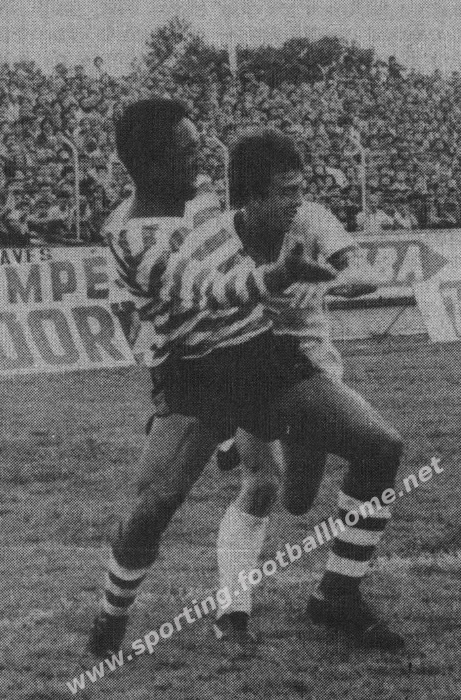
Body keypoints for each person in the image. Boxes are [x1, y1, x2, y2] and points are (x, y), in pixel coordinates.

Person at [88, 101, 337, 658]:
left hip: (251, 354)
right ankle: (112, 612)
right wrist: (273, 277)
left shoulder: (201, 197)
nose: (200, 160)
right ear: (149, 165)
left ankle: (317, 596)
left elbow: (229, 257)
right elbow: (207, 287)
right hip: (195, 374)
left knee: (292, 477)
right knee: (155, 505)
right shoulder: (131, 236)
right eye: (187, 151)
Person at [214, 129, 405, 651]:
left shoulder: (312, 220)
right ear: (250, 198)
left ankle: (233, 440)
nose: (298, 199)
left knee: (298, 499)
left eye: (300, 188)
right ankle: (235, 611)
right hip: (246, 366)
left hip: (310, 369)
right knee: (262, 483)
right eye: (286, 191)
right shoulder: (217, 237)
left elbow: (363, 271)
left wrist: (327, 282)